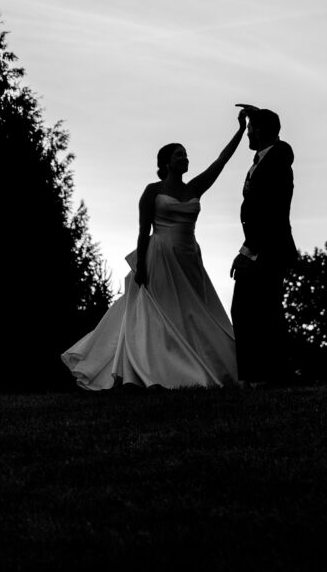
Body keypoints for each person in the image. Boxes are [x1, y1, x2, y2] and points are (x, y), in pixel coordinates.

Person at [61, 113, 246, 390]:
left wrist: (241, 130)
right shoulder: (152, 191)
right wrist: (142, 266)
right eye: (179, 155)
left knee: (193, 312)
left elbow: (221, 161)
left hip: (189, 258)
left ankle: (198, 364)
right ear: (166, 163)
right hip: (160, 256)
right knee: (161, 313)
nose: (185, 159)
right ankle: (154, 371)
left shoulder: (194, 187)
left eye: (186, 155)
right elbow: (142, 230)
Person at [230, 106, 297, 386]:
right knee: (256, 311)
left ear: (259, 130)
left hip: (267, 248)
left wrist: (249, 251)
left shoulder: (278, 159)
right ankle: (260, 376)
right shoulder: (262, 160)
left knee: (256, 312)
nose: (247, 133)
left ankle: (263, 376)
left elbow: (271, 211)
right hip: (261, 247)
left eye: (250, 128)